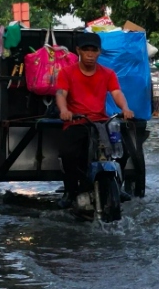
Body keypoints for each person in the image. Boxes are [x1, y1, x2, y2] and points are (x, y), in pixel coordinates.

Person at [56, 32, 134, 204]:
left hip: (101, 122)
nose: (90, 54)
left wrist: (125, 108)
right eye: (86, 50)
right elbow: (61, 93)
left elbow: (116, 92)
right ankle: (70, 191)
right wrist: (64, 110)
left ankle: (117, 187)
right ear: (78, 51)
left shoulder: (108, 73)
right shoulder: (67, 72)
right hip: (76, 121)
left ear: (99, 52)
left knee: (123, 152)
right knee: (68, 153)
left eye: (94, 50)